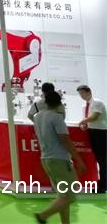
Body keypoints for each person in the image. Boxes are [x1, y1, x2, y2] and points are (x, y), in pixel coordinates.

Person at [33, 91, 86, 224]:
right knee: (70, 196)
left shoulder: (38, 117)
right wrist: (79, 160)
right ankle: (43, 215)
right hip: (60, 160)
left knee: (63, 196)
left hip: (46, 159)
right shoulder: (57, 118)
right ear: (59, 103)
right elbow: (65, 140)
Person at [77, 85, 107, 193]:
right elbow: (88, 120)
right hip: (92, 132)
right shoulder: (85, 106)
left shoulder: (97, 103)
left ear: (89, 92)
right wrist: (85, 124)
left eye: (83, 93)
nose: (81, 95)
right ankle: (102, 183)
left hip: (101, 132)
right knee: (99, 159)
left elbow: (94, 117)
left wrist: (83, 121)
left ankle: (103, 185)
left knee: (103, 160)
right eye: (80, 94)